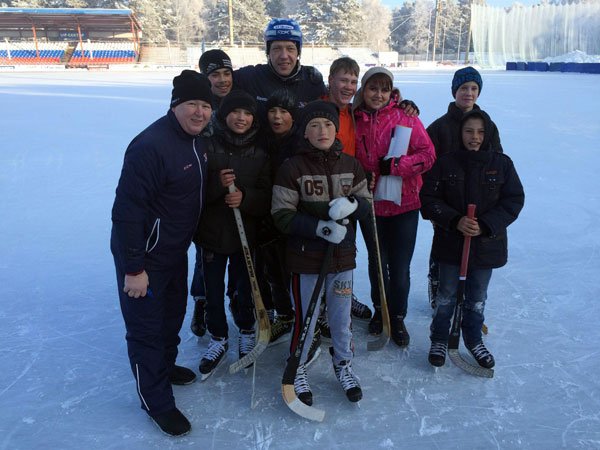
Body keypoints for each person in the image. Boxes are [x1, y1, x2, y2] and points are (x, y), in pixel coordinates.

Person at [110, 70, 213, 436]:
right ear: (175, 106)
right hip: (144, 256)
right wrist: (134, 268)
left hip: (173, 249)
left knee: (173, 316)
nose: (199, 112)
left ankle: (165, 368)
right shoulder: (151, 146)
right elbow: (126, 212)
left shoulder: (197, 141)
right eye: (191, 104)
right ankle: (155, 400)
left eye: (205, 105)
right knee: (146, 330)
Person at [272, 100, 371, 405]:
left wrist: (353, 206)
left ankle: (343, 365)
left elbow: (367, 205)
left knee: (341, 319)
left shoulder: (351, 165)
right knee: (308, 318)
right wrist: (320, 227)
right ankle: (298, 366)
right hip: (306, 260)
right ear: (304, 132)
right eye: (314, 125)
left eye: (328, 124)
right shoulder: (292, 168)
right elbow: (281, 214)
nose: (322, 130)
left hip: (342, 259)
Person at [420, 109, 524, 368]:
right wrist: (455, 220)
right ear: (460, 133)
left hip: (486, 246)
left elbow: (514, 200)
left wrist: (486, 224)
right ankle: (440, 337)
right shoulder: (445, 163)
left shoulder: (502, 164)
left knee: (477, 296)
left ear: (487, 133)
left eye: (479, 131)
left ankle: (473, 338)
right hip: (451, 244)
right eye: (469, 131)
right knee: (446, 294)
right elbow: (429, 199)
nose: (474, 137)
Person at [353, 67, 436, 348]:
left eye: (384, 89)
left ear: (391, 92)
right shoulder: (355, 119)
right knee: (377, 264)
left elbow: (428, 155)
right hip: (371, 206)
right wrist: (361, 176)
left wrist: (398, 166)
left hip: (404, 207)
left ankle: (397, 316)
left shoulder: (406, 117)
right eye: (372, 88)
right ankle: (381, 311)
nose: (378, 94)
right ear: (363, 90)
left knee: (399, 267)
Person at [193, 90, 271, 380]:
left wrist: (245, 197)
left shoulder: (261, 152)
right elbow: (194, 191)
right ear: (224, 115)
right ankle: (218, 336)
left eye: (248, 113)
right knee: (212, 289)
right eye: (236, 112)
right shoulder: (206, 146)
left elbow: (267, 196)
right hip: (212, 233)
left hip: (245, 236)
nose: (242, 118)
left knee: (243, 287)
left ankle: (246, 329)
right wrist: (216, 185)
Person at [426, 66, 503, 308]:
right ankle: (439, 292)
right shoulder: (440, 127)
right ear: (454, 91)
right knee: (445, 249)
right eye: (463, 88)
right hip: (448, 202)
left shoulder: (486, 125)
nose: (468, 93)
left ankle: (471, 306)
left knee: (475, 253)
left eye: (474, 88)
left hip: (478, 204)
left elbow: (497, 161)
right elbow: (427, 163)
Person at [189, 49, 235, 338]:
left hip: (235, 186)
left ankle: (235, 302)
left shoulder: (240, 102)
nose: (222, 80)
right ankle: (201, 301)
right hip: (206, 190)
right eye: (214, 74)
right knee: (205, 253)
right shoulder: (198, 107)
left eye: (227, 73)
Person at [256, 88, 299, 345]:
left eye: (284, 111)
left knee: (296, 271)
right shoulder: (261, 140)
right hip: (265, 217)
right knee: (273, 271)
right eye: (272, 110)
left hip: (293, 219)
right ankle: (284, 315)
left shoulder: (301, 143)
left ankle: (310, 318)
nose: (277, 117)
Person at [234, 18, 327, 124]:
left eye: (290, 48)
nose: (284, 56)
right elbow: (219, 79)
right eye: (277, 49)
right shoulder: (251, 77)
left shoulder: (311, 81)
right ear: (268, 52)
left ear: (298, 52)